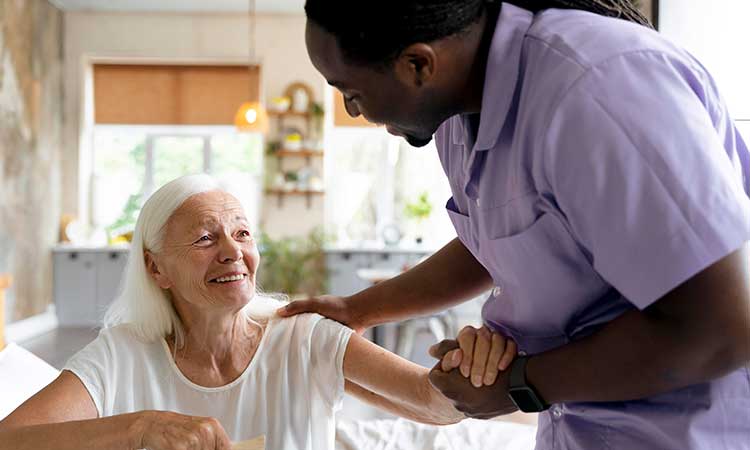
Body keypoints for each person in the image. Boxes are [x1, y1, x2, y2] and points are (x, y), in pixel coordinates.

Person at [280, 1, 750, 449]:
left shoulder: (597, 89)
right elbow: (496, 239)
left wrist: (520, 385)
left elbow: (722, 327)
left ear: (419, 66)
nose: (352, 112)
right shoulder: (455, 114)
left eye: (351, 92)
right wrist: (359, 309)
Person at [0, 174, 517, 450]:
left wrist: (468, 372)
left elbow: (433, 405)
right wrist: (138, 430)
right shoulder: (121, 353)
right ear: (156, 269)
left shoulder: (302, 336)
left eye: (242, 233)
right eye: (205, 238)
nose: (233, 252)